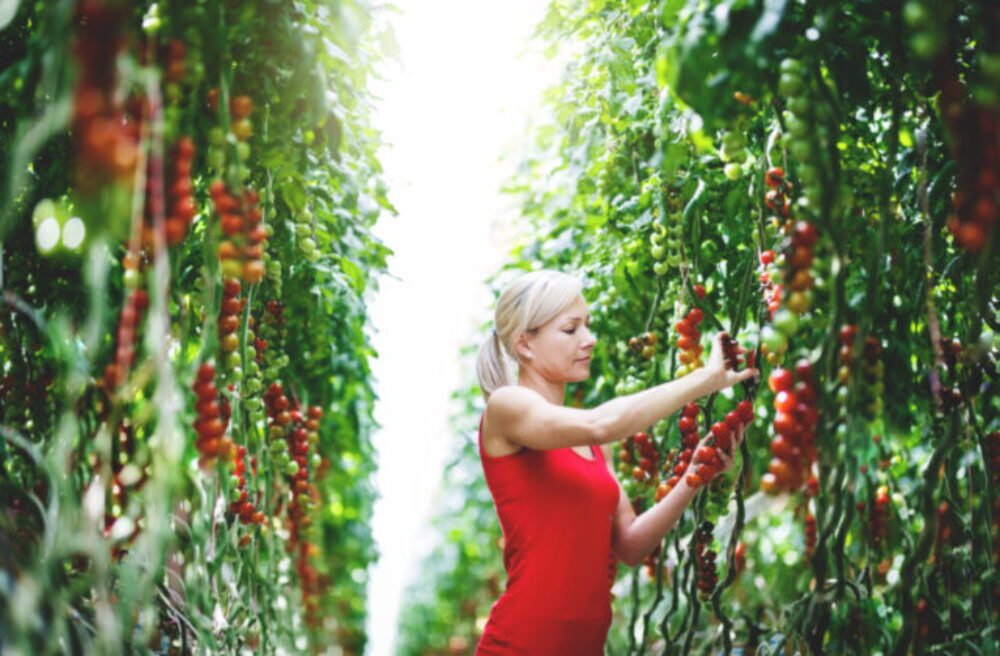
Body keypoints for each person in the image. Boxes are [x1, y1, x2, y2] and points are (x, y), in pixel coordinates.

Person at [473, 269, 758, 655]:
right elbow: (601, 423)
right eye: (571, 329)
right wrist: (706, 379)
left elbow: (630, 546)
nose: (589, 340)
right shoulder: (507, 405)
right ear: (524, 344)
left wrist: (694, 474)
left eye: (587, 326)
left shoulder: (593, 449)